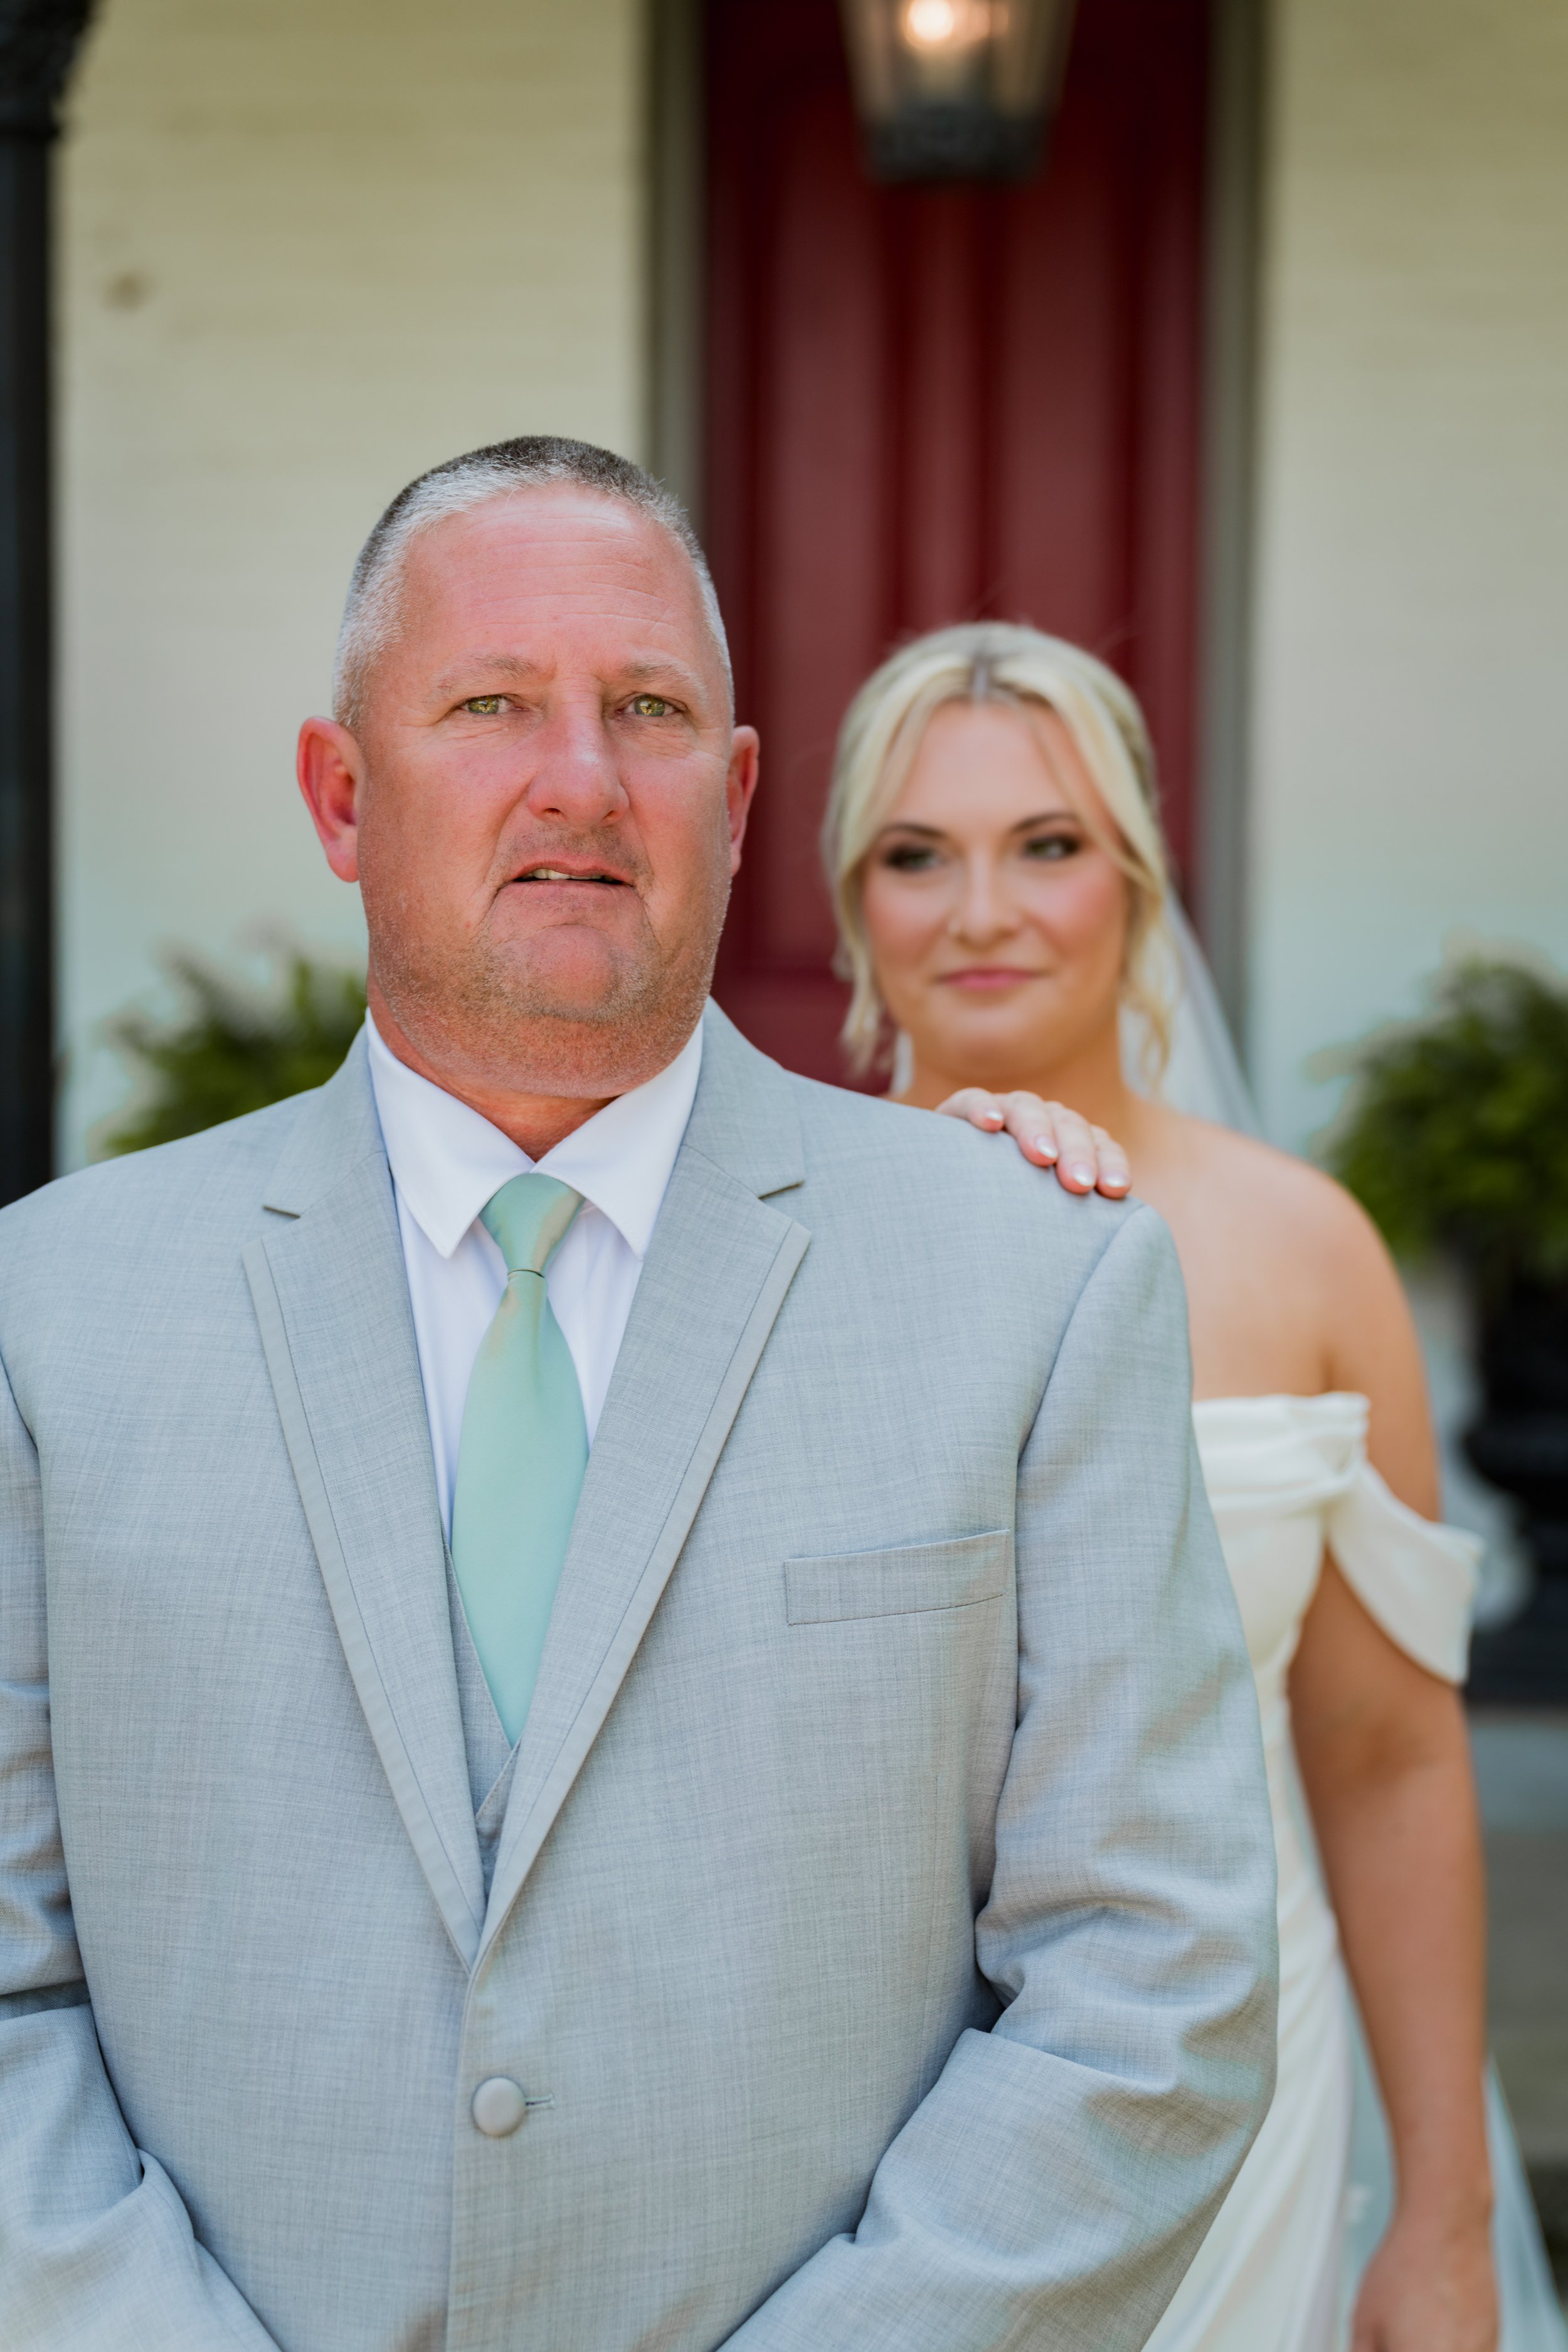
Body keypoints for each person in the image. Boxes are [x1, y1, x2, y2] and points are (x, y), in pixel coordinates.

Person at [0, 440, 1278, 2350]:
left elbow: (1150, 1978)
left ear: (737, 801)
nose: (582, 780)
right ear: (341, 796)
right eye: (490, 706)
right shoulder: (47, 1312)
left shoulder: (1034, 1281)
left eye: (651, 712)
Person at [824, 619, 1568, 2352]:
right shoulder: (761, 1243)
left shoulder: (1308, 1253)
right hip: (856, 2133)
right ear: (850, 901)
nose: (980, 910)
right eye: (915, 855)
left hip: (1247, 2113)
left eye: (1048, 845)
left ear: (1142, 879)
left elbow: (1385, 1760)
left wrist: (1446, 2218)